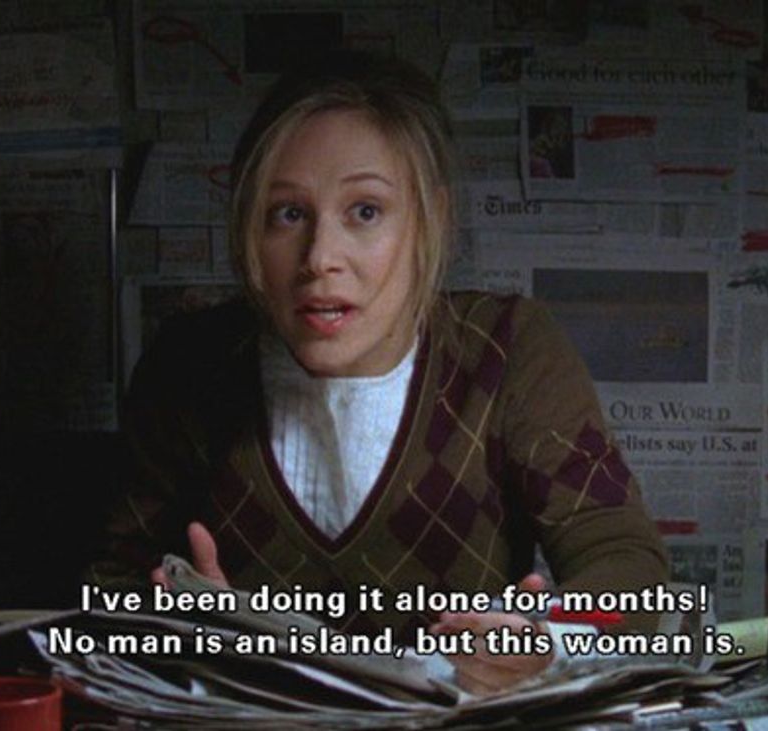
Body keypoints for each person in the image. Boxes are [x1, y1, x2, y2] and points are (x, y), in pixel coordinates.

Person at [89, 51, 668, 693]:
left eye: (365, 211)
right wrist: (184, 628)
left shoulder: (507, 350)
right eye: (288, 214)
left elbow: (626, 562)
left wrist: (547, 640)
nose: (320, 258)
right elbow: (112, 585)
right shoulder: (189, 364)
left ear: (431, 219)